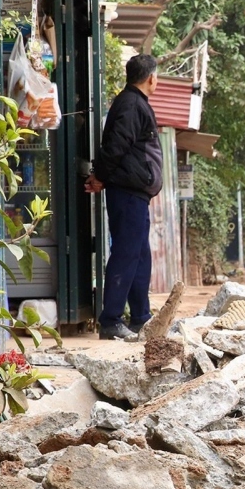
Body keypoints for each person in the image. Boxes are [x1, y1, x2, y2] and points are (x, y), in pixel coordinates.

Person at [86, 54, 163, 341]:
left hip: (136, 193)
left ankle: (141, 317)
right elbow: (117, 145)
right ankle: (111, 320)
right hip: (127, 191)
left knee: (139, 255)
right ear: (150, 78)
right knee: (126, 254)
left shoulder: (135, 102)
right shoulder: (131, 104)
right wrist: (101, 176)